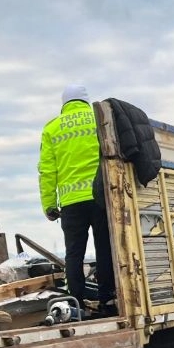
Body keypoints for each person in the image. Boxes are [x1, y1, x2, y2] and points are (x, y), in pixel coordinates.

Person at [38, 85, 115, 316]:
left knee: (74, 254)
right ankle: (108, 300)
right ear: (85, 101)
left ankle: (75, 303)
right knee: (105, 249)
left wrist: (49, 204)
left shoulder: (52, 128)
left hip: (71, 203)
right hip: (100, 197)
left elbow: (47, 171)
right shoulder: (100, 119)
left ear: (64, 103)